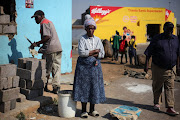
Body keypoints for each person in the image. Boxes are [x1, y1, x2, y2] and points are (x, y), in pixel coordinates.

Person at [73, 16, 106, 118]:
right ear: (86, 29)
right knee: (83, 88)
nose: (91, 30)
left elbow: (102, 54)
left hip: (95, 68)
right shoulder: (82, 39)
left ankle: (92, 110)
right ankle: (83, 110)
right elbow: (81, 52)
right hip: (83, 68)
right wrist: (94, 51)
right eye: (89, 28)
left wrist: (93, 53)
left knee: (93, 87)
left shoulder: (98, 40)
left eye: (93, 28)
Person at [144, 22, 179, 116]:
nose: (170, 31)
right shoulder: (157, 38)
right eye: (168, 29)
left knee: (170, 87)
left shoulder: (175, 39)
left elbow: (178, 53)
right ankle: (157, 102)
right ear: (163, 28)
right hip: (158, 67)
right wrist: (146, 64)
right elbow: (149, 52)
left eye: (171, 29)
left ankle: (170, 107)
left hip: (171, 68)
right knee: (157, 86)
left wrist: (178, 66)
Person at [31, 10, 62, 94]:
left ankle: (44, 86)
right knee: (56, 69)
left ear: (41, 16)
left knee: (46, 69)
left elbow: (47, 37)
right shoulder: (49, 22)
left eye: (36, 17)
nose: (36, 20)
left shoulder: (43, 23)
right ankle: (56, 88)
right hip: (57, 48)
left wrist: (36, 43)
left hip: (50, 50)